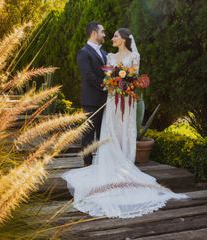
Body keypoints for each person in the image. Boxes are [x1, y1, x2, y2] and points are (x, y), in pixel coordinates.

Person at [62, 27, 188, 218]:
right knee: (108, 131)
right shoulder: (110, 57)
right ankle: (108, 163)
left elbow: (134, 78)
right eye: (109, 34)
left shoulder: (134, 56)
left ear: (124, 39)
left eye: (115, 36)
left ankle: (123, 164)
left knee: (124, 131)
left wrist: (127, 84)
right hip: (113, 100)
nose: (111, 37)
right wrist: (112, 83)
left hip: (127, 102)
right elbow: (105, 77)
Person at [77, 21, 108, 166]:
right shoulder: (84, 52)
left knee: (103, 133)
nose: (104, 35)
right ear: (94, 33)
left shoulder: (104, 53)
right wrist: (105, 85)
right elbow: (88, 75)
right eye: (102, 32)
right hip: (91, 101)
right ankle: (87, 165)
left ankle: (101, 164)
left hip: (105, 100)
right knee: (89, 135)